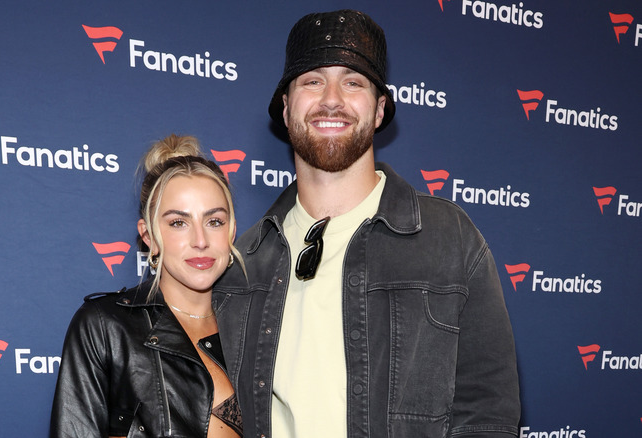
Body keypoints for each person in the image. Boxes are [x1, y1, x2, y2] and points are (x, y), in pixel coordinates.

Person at [213, 9, 521, 438]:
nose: (332, 99)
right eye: (313, 80)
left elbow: (488, 415)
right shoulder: (243, 264)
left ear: (378, 110)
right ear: (286, 109)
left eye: (353, 81)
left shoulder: (448, 239)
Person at [50, 134, 243, 438]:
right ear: (149, 236)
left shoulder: (259, 325)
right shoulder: (104, 326)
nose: (201, 241)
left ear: (231, 231)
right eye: (178, 222)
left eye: (214, 221)